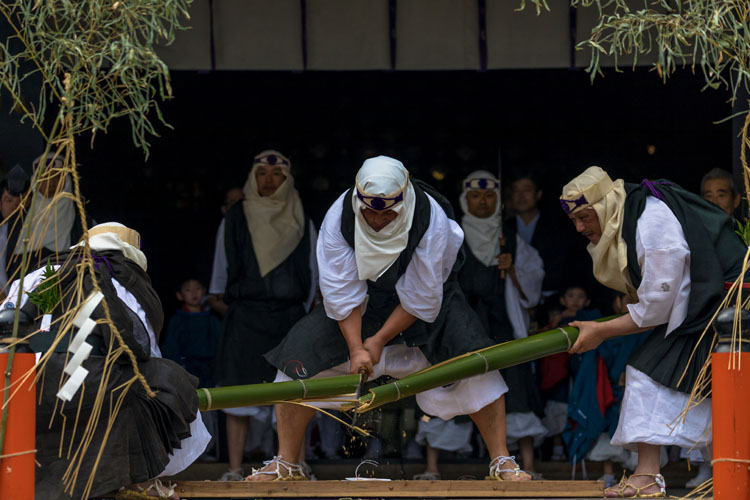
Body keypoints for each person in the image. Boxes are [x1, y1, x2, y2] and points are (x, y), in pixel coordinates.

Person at [253, 156, 531, 482]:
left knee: (476, 359)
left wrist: (378, 341)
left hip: (430, 306)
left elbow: (421, 296)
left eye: (387, 213)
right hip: (362, 306)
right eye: (370, 211)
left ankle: (501, 461)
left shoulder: (432, 219)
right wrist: (357, 347)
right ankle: (287, 463)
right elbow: (342, 294)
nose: (377, 219)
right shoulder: (337, 217)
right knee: (295, 357)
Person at [560, 166, 746, 498]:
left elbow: (655, 309)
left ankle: (648, 475)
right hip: (712, 308)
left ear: (605, 207)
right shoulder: (634, 214)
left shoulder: (651, 223)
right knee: (659, 371)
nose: (579, 227)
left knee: (648, 369)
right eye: (574, 221)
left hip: (732, 307)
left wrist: (600, 331)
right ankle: (651, 475)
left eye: (585, 217)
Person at [4, 222, 210, 500]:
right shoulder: (121, 276)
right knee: (165, 380)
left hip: (19, 384)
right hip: (85, 390)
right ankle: (139, 479)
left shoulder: (38, 275)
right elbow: (142, 348)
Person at [212, 150, 318, 481]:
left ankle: (295, 467)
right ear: (252, 178)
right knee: (236, 394)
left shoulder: (302, 216)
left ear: (287, 180)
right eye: (262, 174)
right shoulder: (235, 217)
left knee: (294, 394)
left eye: (277, 175)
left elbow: (314, 274)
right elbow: (220, 272)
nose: (269, 181)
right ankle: (234, 469)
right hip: (244, 317)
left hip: (290, 319)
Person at [455, 170, 546, 477]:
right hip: (466, 327)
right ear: (464, 200)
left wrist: (514, 269)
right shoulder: (452, 235)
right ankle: (439, 465)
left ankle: (526, 464)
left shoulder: (509, 236)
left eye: (490, 195)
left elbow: (535, 278)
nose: (483, 201)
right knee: (462, 384)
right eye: (476, 195)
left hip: (503, 326)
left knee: (514, 388)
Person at [508, 173, 568, 296]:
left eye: (527, 190)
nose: (521, 196)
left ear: (538, 194)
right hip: (512, 297)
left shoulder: (556, 228)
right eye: (516, 190)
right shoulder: (504, 228)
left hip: (550, 298)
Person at [161, 278, 221, 389]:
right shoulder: (177, 320)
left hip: (211, 372)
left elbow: (221, 347)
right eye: (188, 290)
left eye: (197, 288)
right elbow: (170, 347)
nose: (194, 293)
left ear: (204, 291)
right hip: (186, 371)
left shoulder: (212, 320)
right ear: (180, 295)